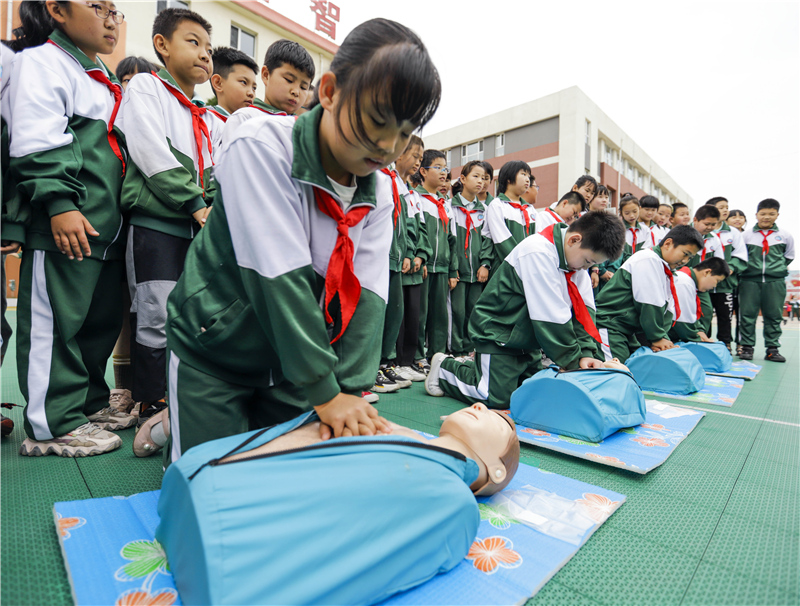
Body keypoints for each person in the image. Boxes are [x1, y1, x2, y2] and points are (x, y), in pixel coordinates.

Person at [159, 18, 442, 463]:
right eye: (376, 120)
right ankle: (174, 418)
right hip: (215, 352)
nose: (388, 145)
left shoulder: (381, 190)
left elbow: (367, 295)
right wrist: (325, 393)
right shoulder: (261, 145)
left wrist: (348, 390)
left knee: (293, 476)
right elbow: (277, 278)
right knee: (209, 489)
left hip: (289, 364)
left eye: (404, 133)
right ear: (328, 92)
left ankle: (186, 420)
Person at [8, 0, 133, 456]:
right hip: (67, 220)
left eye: (114, 10)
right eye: (97, 6)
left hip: (105, 229)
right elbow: (36, 135)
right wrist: (60, 203)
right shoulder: (43, 61)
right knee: (55, 321)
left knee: (97, 323)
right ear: (57, 11)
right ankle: (49, 423)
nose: (110, 18)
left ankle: (86, 404)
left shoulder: (101, 76)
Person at [116, 7, 225, 428]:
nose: (204, 55)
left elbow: (212, 167)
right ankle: (150, 401)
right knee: (155, 312)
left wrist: (210, 203)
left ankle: (183, 397)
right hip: (158, 223)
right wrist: (196, 203)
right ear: (161, 44)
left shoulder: (200, 111)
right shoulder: (146, 87)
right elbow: (148, 151)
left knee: (191, 314)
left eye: (208, 49)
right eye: (193, 42)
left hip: (194, 227)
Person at [426, 212, 625, 409]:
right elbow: (551, 317)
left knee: (531, 395)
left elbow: (583, 312)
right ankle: (445, 368)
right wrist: (574, 362)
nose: (585, 269)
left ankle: (480, 368)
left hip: (528, 340)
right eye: (588, 262)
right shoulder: (537, 251)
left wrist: (587, 354)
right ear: (574, 240)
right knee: (495, 398)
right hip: (498, 333)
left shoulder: (574, 261)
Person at [596, 225, 704, 361]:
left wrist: (662, 338)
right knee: (617, 370)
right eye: (685, 254)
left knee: (638, 367)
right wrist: (657, 337)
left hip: (627, 331)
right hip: (610, 325)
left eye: (690, 258)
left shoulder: (665, 268)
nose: (685, 261)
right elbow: (649, 303)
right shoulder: (648, 259)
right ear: (668, 243)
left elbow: (666, 309)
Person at [738, 199, 795, 362]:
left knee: (774, 315)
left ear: (777, 215)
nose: (766, 217)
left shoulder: (785, 235)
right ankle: (747, 347)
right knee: (748, 314)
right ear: (756, 215)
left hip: (775, 282)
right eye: (763, 214)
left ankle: (772, 349)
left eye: (771, 214)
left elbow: (789, 256)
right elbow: (741, 256)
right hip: (749, 281)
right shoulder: (746, 235)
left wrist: (776, 269)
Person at [414, 149, 457, 366]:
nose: (443, 172)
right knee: (420, 314)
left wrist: (452, 270)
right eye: (438, 167)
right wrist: (419, 257)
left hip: (441, 268)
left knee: (439, 315)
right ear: (423, 171)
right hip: (423, 267)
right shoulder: (416, 198)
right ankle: (417, 356)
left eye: (445, 168)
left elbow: (452, 240)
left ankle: (437, 355)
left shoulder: (444, 203)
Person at [394, 136, 428, 381]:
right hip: (396, 258)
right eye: (414, 156)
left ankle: (406, 360)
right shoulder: (389, 181)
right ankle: (392, 361)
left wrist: (420, 255)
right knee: (397, 314)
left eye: (420, 158)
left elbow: (419, 228)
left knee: (413, 314)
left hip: (411, 262)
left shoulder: (410, 192)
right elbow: (400, 225)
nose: (417, 162)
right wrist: (406, 253)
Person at [450, 161, 488, 357]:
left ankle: (469, 349)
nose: (480, 181)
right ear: (463, 179)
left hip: (477, 273)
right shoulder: (450, 207)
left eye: (483, 178)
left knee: (473, 311)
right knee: (456, 312)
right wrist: (452, 268)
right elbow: (450, 241)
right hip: (458, 272)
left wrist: (485, 264)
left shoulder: (485, 210)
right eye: (476, 176)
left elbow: (488, 240)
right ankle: (455, 349)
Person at [706, 197, 748, 350]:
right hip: (705, 284)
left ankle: (726, 344)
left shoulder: (733, 233)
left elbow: (741, 255)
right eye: (721, 207)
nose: (725, 210)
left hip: (726, 284)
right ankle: (705, 344)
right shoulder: (703, 230)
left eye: (726, 207)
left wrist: (728, 269)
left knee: (725, 316)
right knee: (705, 315)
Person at [479, 160, 534, 276]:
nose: (528, 179)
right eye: (523, 174)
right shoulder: (497, 205)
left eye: (528, 176)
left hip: (528, 268)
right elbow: (501, 239)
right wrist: (521, 263)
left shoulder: (530, 209)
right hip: (506, 267)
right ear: (509, 179)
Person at [670, 257, 730, 343]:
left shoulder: (689, 281)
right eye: (717, 281)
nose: (715, 286)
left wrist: (699, 331)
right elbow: (682, 319)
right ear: (707, 272)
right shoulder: (684, 282)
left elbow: (689, 315)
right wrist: (696, 337)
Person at [208, 46, 258, 117]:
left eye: (254, 88)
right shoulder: (204, 121)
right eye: (244, 82)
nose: (251, 93)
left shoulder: (252, 125)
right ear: (218, 83)